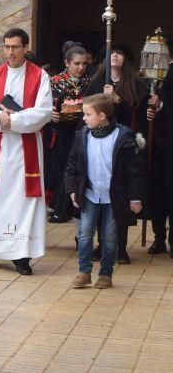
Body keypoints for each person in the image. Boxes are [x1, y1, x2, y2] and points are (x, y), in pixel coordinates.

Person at [0, 28, 52, 276]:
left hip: (24, 148)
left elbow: (44, 111)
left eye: (15, 47)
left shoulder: (40, 76)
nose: (10, 52)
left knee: (23, 199)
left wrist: (14, 121)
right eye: (6, 47)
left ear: (25, 47)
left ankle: (21, 255)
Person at [65, 94, 145, 289]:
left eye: (87, 114)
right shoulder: (82, 136)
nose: (83, 118)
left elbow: (135, 171)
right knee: (84, 234)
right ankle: (84, 272)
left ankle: (105, 274)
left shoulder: (123, 136)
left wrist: (135, 198)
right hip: (90, 194)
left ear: (101, 116)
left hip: (114, 197)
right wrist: (73, 190)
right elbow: (72, 167)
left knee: (110, 236)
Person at [83, 43, 149, 264]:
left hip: (124, 145)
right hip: (100, 144)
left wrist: (118, 100)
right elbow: (89, 110)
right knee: (101, 194)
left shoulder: (136, 85)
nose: (115, 57)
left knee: (120, 195)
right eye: (113, 53)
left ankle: (120, 246)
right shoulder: (96, 83)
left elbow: (139, 114)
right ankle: (102, 243)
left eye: (120, 54)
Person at [46, 45, 91, 224]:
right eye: (76, 63)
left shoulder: (91, 81)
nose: (81, 68)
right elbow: (42, 103)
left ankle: (76, 208)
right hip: (60, 130)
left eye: (84, 64)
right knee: (63, 168)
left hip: (84, 129)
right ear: (67, 63)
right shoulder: (54, 81)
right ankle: (60, 208)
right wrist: (50, 113)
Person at [147, 62, 173, 256]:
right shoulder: (152, 74)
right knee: (156, 191)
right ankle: (158, 238)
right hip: (155, 143)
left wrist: (161, 104)